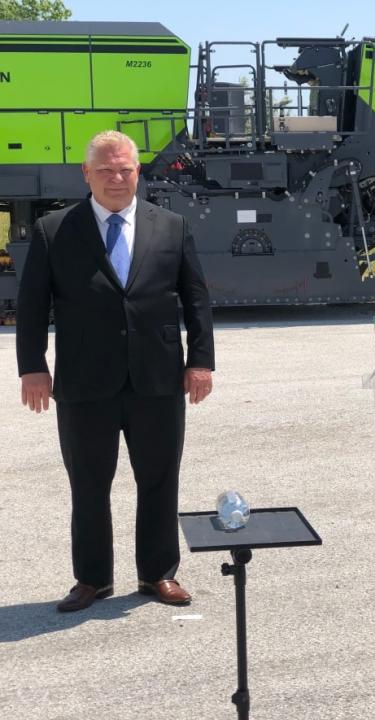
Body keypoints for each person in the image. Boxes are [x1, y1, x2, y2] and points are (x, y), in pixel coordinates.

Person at [16, 130, 215, 612]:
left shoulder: (172, 226)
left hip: (158, 377)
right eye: (105, 170)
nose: (117, 178)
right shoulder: (54, 230)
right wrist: (33, 368)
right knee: (87, 483)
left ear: (138, 171)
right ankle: (92, 579)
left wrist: (201, 360)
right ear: (86, 173)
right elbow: (32, 303)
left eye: (125, 169)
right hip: (85, 380)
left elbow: (195, 298)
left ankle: (158, 574)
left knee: (160, 478)